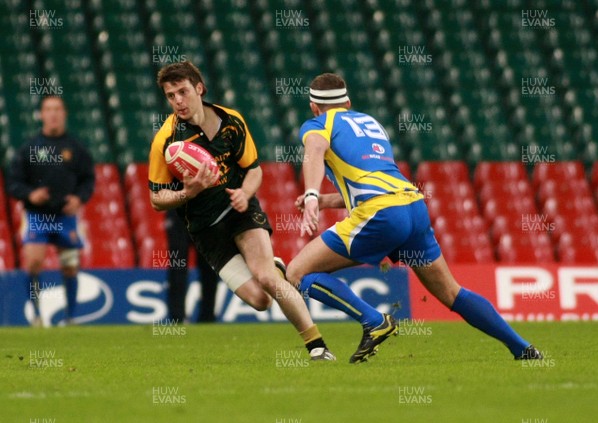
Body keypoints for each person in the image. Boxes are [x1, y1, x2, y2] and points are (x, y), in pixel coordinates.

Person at [286, 73, 543, 363]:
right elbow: (376, 179)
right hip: (412, 206)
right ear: (348, 102)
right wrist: (325, 201)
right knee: (451, 292)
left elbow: (314, 152)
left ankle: (374, 320)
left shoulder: (317, 125)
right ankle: (523, 348)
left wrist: (310, 193)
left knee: (298, 273)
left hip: (381, 214)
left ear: (313, 107)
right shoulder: (371, 124)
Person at [148, 61, 334, 360]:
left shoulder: (231, 121)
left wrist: (245, 194)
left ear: (199, 88)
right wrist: (189, 192)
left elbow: (254, 170)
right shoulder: (167, 141)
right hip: (205, 230)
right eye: (171, 96)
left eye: (182, 91)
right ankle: (274, 266)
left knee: (267, 278)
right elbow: (156, 199)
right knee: (260, 300)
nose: (178, 101)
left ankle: (317, 347)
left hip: (240, 212)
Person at [8, 96, 95, 326]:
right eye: (49, 109)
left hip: (66, 215)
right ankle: (36, 315)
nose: (53, 114)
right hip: (38, 215)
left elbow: (88, 180)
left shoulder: (76, 148)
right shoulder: (30, 147)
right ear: (42, 114)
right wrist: (30, 195)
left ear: (64, 113)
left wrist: (79, 198)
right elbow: (13, 182)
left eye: (57, 109)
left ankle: (70, 317)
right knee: (34, 262)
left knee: (70, 267)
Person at [165, 208, 218, 323]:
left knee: (209, 267)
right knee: (177, 266)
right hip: (178, 209)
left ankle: (208, 316)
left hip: (206, 211)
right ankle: (177, 318)